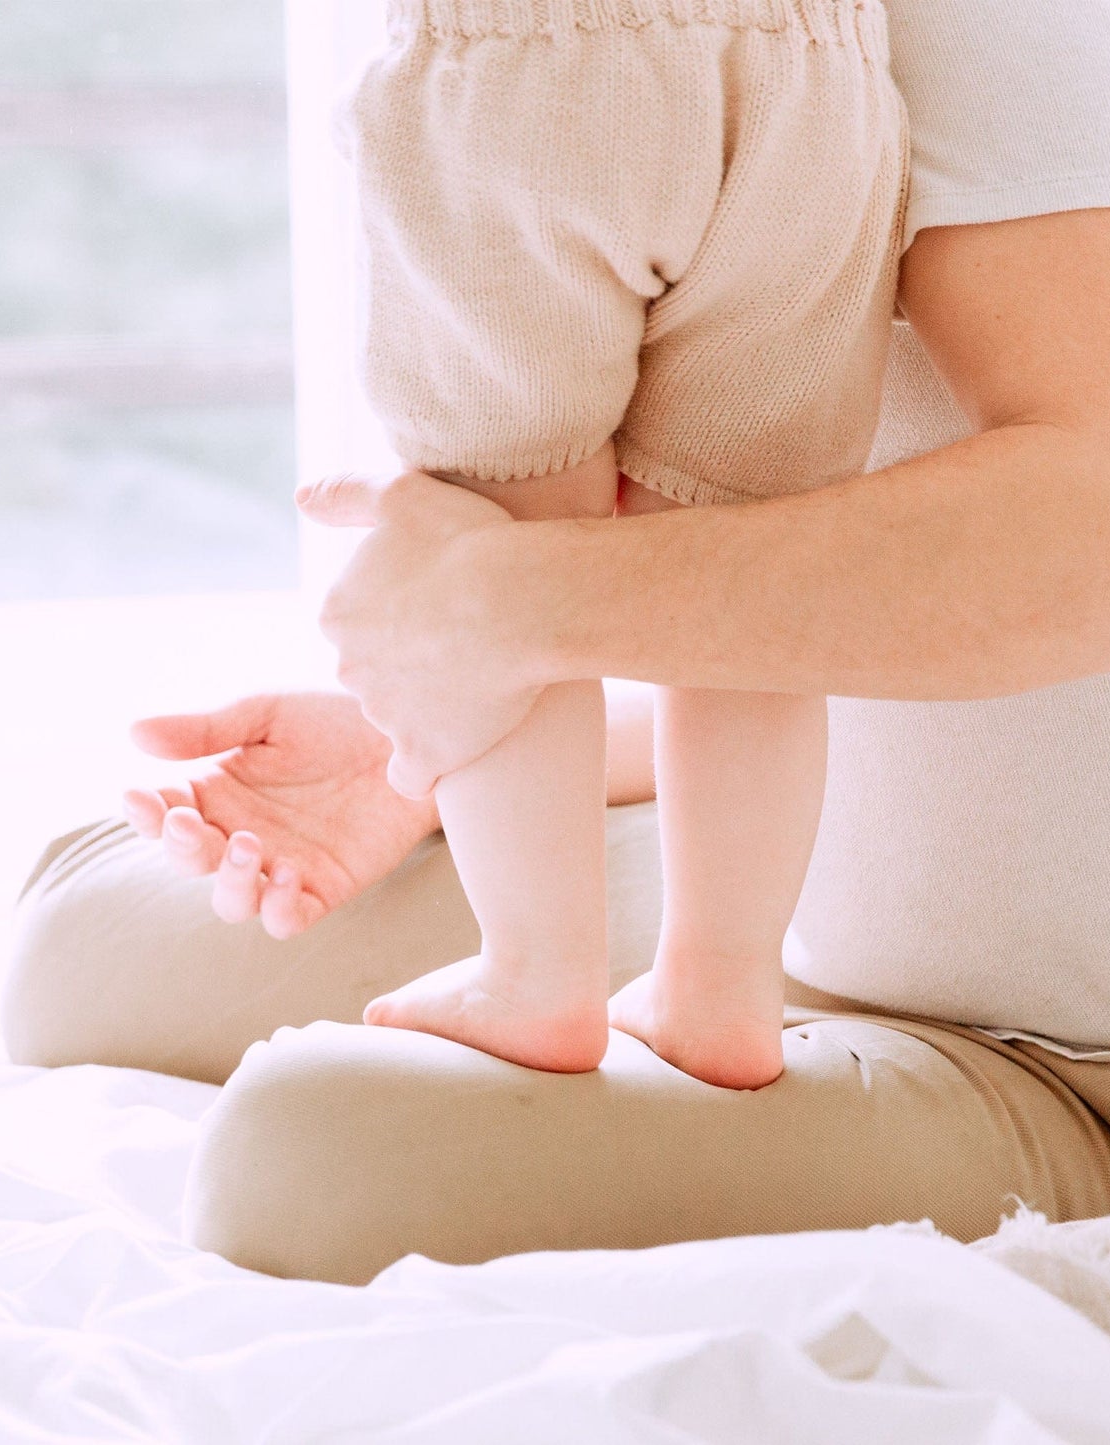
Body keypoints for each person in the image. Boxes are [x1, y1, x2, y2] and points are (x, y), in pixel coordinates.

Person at [4, 0, 1110, 1288]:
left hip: (1104, 1051)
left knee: (305, 1154)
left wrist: (500, 602)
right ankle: (673, 958)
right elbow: (781, 589)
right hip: (805, 886)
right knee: (83, 931)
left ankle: (654, 970)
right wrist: (433, 735)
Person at [306, 0, 908, 1089]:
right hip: (813, 78)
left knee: (501, 546)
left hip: (525, 59)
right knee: (750, 578)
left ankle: (532, 972)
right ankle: (723, 988)